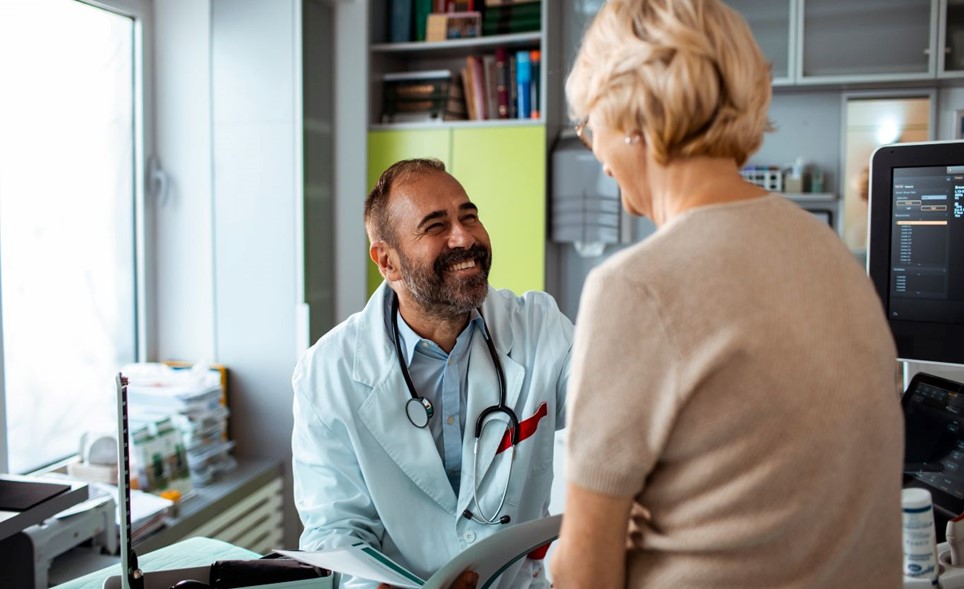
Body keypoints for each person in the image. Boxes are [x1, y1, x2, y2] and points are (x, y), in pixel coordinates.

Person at [549, 1, 904, 587]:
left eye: (591, 124)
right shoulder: (828, 251)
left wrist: (561, 557)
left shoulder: (633, 287)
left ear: (631, 116)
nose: (597, 156)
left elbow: (586, 574)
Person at [292, 158, 573, 589]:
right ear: (387, 261)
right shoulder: (327, 373)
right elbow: (335, 530)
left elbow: (619, 419)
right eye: (436, 226)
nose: (465, 237)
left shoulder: (539, 327)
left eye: (469, 216)